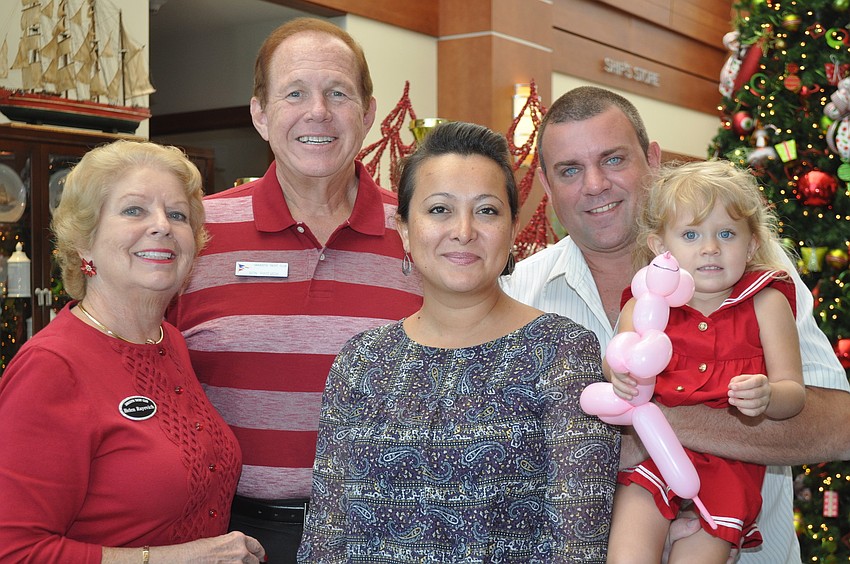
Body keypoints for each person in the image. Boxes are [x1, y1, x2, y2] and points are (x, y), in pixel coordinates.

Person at [502, 86, 850, 563]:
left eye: (614, 159)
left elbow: (839, 427)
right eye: (570, 170)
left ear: (653, 159)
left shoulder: (760, 285)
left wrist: (654, 425)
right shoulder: (518, 293)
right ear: (544, 181)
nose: (595, 184)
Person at [296, 121, 619, 563]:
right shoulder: (362, 361)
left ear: (512, 230)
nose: (464, 230)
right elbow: (325, 536)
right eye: (440, 210)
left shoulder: (561, 352)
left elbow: (578, 541)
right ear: (405, 230)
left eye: (487, 210)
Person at [167, 17, 423, 562]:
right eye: (295, 93)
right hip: (228, 538)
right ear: (260, 114)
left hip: (387, 533)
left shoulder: (421, 238)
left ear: (369, 113)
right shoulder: (193, 234)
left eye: (338, 93)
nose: (318, 112)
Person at [0, 140, 265, 563]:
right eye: (134, 210)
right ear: (84, 243)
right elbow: (14, 551)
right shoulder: (51, 367)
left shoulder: (169, 341)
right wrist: (179, 559)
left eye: (177, 214)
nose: (162, 226)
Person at [606, 160, 806, 562]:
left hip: (728, 471)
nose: (710, 247)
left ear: (751, 244)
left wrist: (768, 396)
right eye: (691, 234)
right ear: (661, 247)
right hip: (652, 458)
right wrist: (619, 379)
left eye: (727, 234)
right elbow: (619, 362)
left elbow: (794, 393)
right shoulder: (646, 306)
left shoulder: (767, 304)